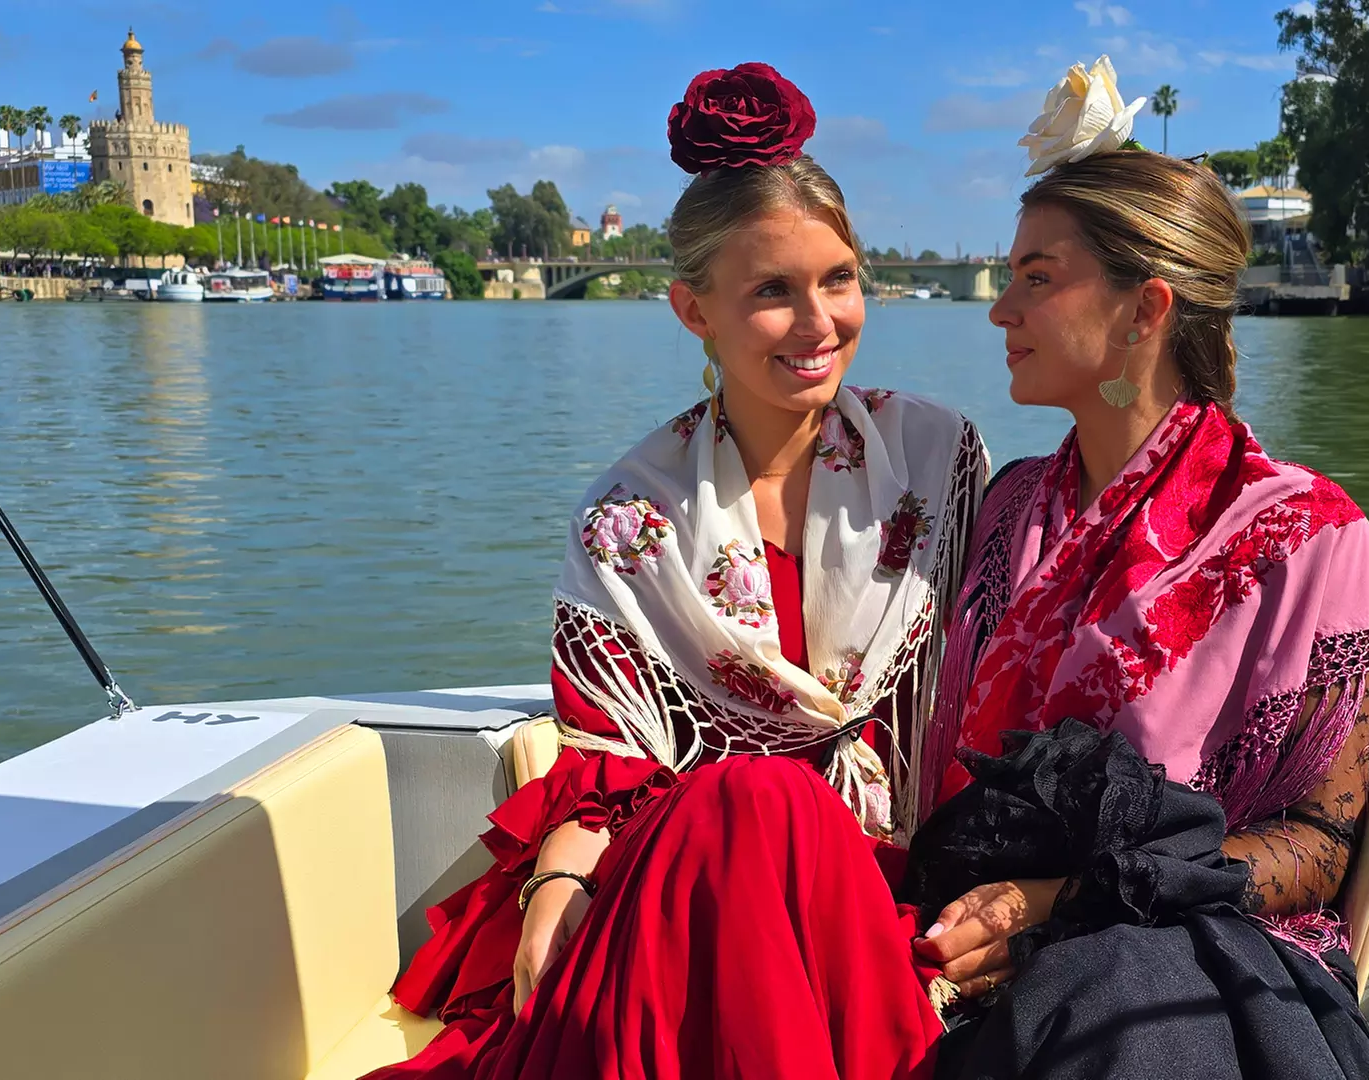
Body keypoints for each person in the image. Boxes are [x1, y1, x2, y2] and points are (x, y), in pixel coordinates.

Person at [366, 63, 985, 1080]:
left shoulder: (937, 457)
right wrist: (556, 888)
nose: (821, 322)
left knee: (769, 806)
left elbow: (978, 684)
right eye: (773, 293)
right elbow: (607, 763)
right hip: (687, 882)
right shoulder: (627, 515)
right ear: (691, 309)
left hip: (885, 874)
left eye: (838, 279)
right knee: (757, 802)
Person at [906, 57, 1369, 1079]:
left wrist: (1067, 905)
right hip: (965, 937)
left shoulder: (1312, 541)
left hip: (1185, 964)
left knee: (1110, 999)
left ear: (1147, 310)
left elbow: (1319, 841)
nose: (1000, 311)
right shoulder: (1008, 509)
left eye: (1036, 279)